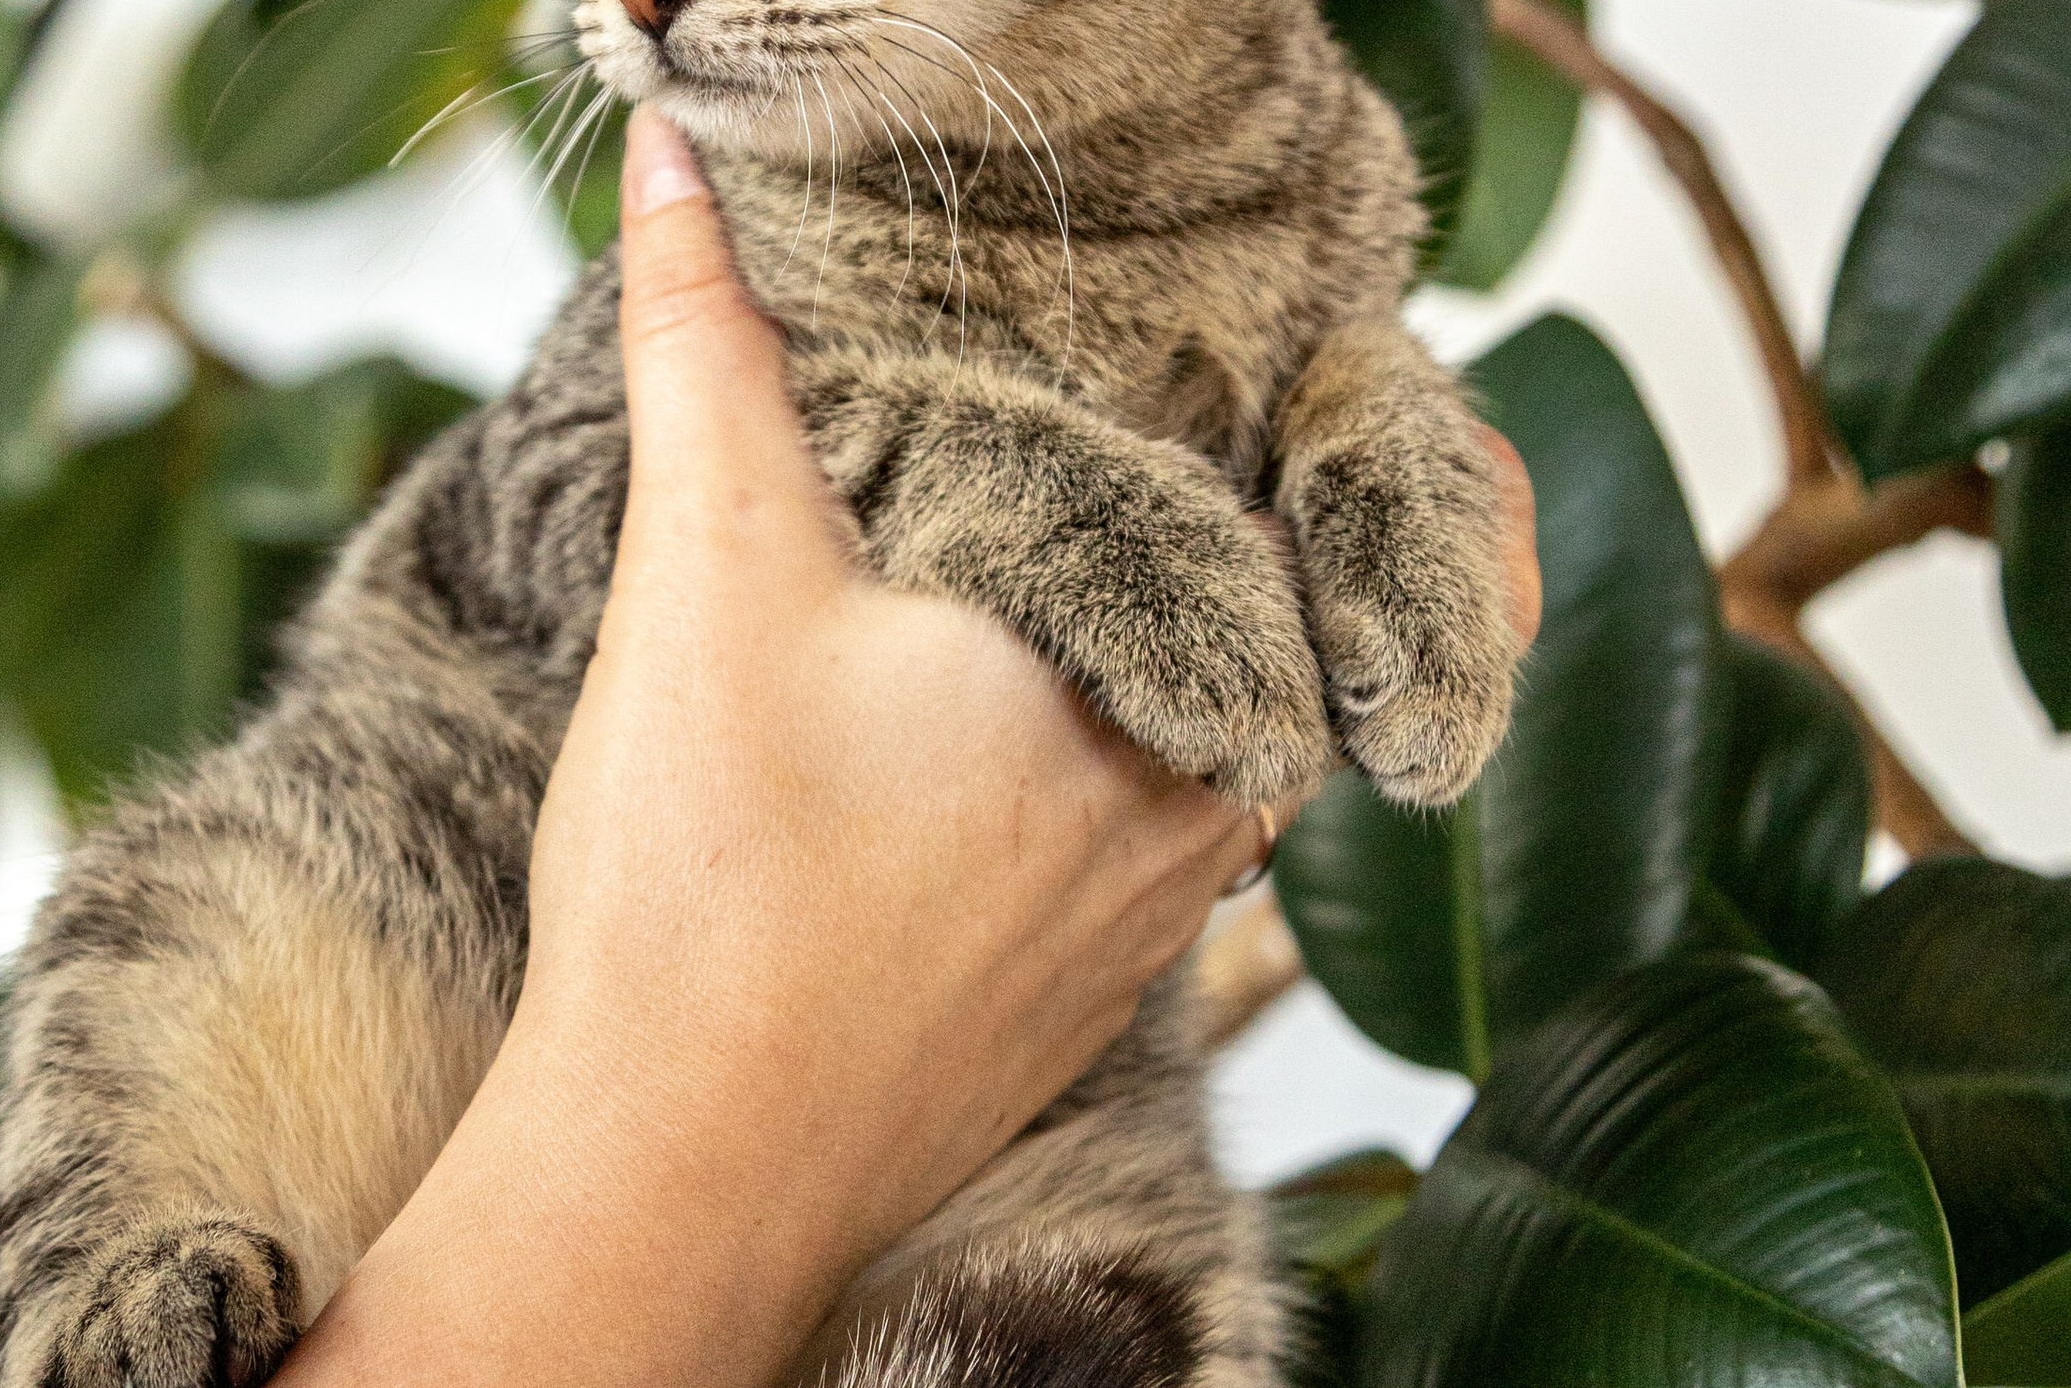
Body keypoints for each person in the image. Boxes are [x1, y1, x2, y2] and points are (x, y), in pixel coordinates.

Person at [268, 110, 1542, 1388]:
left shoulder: (1302, 182)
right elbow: (532, 524)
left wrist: (1355, 415)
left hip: (1046, 1199)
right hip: (390, 973)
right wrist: (1000, 492)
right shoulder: (763, 168)